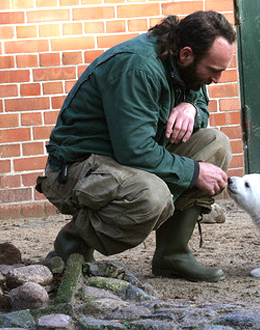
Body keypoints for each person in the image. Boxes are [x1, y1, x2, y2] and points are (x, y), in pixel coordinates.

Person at [36, 10, 236, 282]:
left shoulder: (186, 66)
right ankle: (72, 246)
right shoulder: (138, 67)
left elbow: (201, 107)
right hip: (78, 168)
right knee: (152, 196)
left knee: (216, 145)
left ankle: (172, 254)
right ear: (186, 54)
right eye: (214, 71)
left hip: (125, 161)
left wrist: (191, 107)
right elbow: (136, 151)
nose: (217, 80)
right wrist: (194, 172)